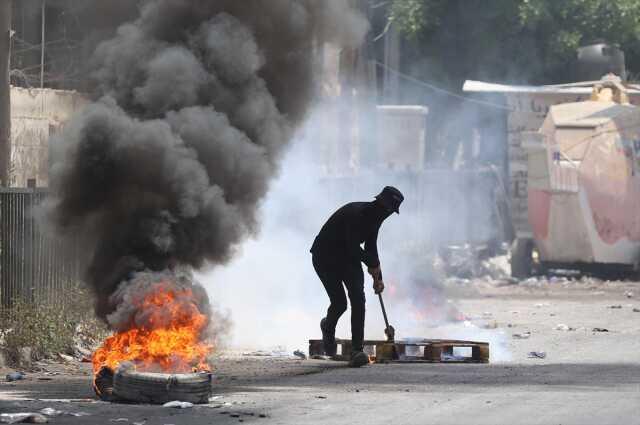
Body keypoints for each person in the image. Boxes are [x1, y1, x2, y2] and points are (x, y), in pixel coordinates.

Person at [310, 186, 404, 367]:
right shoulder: (356, 214)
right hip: (325, 257)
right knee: (340, 303)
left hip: (347, 258)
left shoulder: (376, 219)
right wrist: (372, 263)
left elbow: (371, 247)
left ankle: (356, 350)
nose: (388, 214)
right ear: (383, 205)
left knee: (358, 299)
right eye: (389, 210)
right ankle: (327, 327)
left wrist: (379, 277)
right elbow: (353, 246)